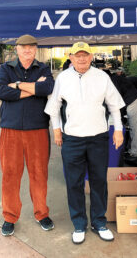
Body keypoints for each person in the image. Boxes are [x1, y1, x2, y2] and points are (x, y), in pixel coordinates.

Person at [45, 42, 125, 244]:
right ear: (71, 57)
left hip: (98, 137)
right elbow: (54, 108)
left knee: (99, 181)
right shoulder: (63, 78)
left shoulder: (102, 77)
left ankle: (99, 222)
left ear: (91, 57)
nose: (82, 59)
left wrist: (118, 131)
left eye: (85, 55)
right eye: (77, 55)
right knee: (74, 183)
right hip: (72, 139)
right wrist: (57, 132)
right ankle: (79, 224)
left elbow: (114, 105)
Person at [0, 34, 55, 236]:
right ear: (17, 49)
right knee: (10, 175)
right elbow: (1, 91)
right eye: (23, 47)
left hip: (37, 129)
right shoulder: (6, 68)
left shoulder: (43, 68)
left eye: (31, 47)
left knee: (39, 174)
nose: (27, 50)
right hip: (10, 130)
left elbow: (48, 88)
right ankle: (9, 217)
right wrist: (34, 89)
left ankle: (42, 213)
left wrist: (18, 85)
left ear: (35, 49)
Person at [111, 74, 137, 164]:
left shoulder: (113, 82)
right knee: (131, 127)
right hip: (132, 101)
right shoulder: (114, 79)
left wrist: (120, 118)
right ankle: (130, 149)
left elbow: (118, 101)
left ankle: (134, 152)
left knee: (134, 128)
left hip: (134, 101)